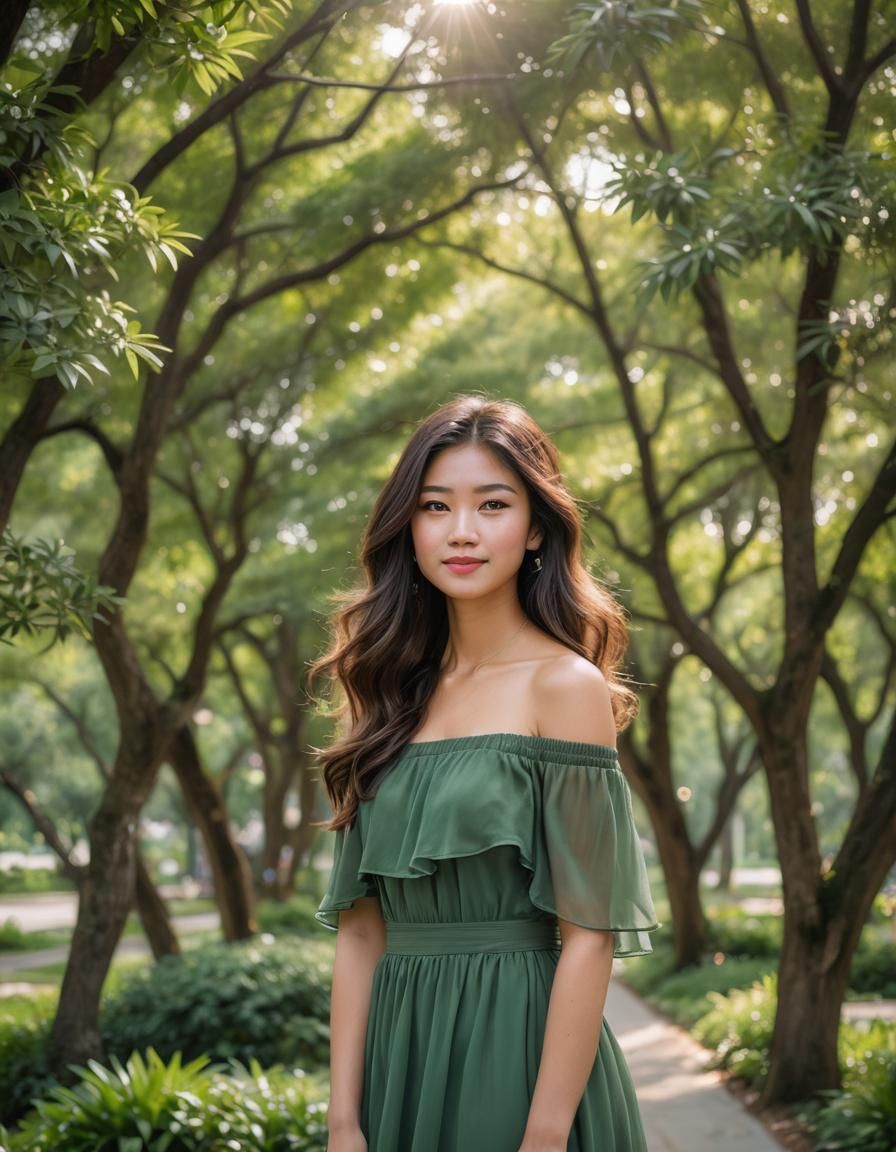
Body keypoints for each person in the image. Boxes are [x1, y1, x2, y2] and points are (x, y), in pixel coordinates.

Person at [308, 394, 658, 1152]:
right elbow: (361, 933)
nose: (461, 531)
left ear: (535, 527)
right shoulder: (386, 694)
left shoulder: (563, 687)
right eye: (436, 507)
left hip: (522, 1059)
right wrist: (343, 1122)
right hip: (396, 1064)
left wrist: (543, 1133)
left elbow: (589, 937)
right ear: (410, 525)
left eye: (492, 505)